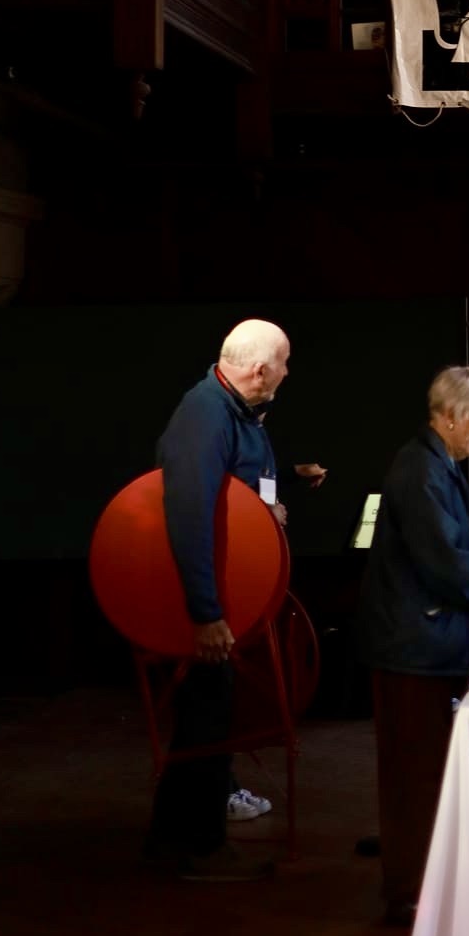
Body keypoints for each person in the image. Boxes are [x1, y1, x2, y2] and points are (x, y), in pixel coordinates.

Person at [355, 366, 469, 925]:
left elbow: (463, 548)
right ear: (451, 415)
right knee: (415, 776)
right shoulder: (422, 472)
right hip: (414, 646)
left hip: (428, 643)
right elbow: (446, 568)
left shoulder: (438, 464)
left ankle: (423, 882)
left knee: (427, 770)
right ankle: (408, 896)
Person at [146, 318, 309, 881]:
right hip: (214, 602)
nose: (287, 373)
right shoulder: (206, 413)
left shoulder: (230, 410)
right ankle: (197, 849)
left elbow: (233, 494)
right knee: (204, 719)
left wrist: (282, 484)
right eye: (285, 363)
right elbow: (189, 514)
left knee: (210, 718)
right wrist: (206, 613)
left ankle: (181, 844)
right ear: (261, 369)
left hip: (232, 592)